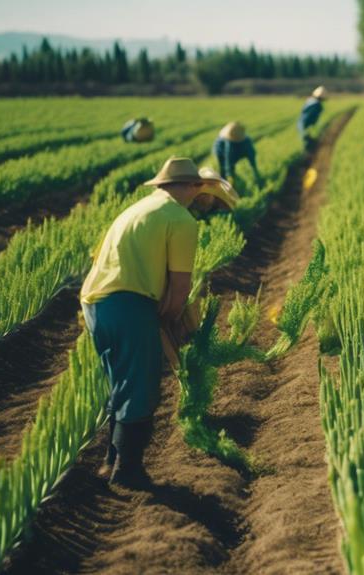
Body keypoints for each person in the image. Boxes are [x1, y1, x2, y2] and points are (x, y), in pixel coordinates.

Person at [81, 156, 220, 488]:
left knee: (122, 382)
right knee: (140, 386)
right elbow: (180, 286)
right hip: (129, 303)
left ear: (160, 185)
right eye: (198, 187)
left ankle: (110, 462)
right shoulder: (181, 219)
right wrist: (172, 321)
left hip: (95, 303)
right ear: (192, 186)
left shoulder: (136, 210)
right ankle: (128, 471)